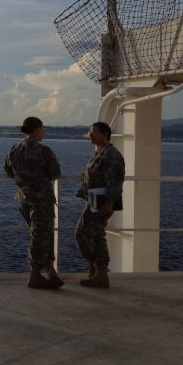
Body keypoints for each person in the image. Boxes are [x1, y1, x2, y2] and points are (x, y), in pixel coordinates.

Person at [4, 117, 63, 289]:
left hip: (24, 199)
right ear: (37, 129)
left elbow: (8, 171)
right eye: (42, 128)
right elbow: (55, 173)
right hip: (41, 200)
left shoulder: (15, 150)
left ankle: (51, 271)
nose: (43, 131)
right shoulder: (44, 151)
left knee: (43, 235)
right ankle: (35, 274)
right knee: (41, 236)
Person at [75, 121, 125, 289]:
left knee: (82, 233)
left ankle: (99, 271)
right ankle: (99, 273)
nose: (90, 135)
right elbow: (99, 174)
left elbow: (115, 182)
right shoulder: (101, 153)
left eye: (94, 132)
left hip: (102, 200)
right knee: (96, 236)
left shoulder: (111, 155)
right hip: (95, 198)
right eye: (90, 132)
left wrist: (109, 203)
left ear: (104, 134)